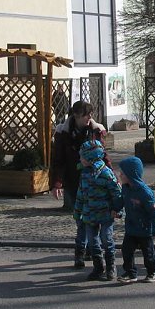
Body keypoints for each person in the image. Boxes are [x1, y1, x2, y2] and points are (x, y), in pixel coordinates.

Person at [51, 101, 107, 267]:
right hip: (73, 180)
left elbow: (103, 156)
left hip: (93, 180)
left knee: (92, 218)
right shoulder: (63, 132)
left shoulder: (95, 130)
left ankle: (90, 249)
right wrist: (57, 183)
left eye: (91, 114)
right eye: (86, 114)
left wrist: (111, 177)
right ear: (76, 115)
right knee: (80, 219)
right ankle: (80, 253)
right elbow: (58, 160)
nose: (90, 117)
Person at [74, 140, 123, 281]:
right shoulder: (84, 174)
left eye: (82, 157)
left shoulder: (106, 173)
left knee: (106, 239)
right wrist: (77, 212)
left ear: (90, 158)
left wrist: (117, 210)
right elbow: (80, 194)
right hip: (89, 214)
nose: (80, 159)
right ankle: (98, 267)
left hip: (105, 213)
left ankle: (111, 266)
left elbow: (117, 193)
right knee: (92, 241)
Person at [117, 157, 155, 283]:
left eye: (122, 173)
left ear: (131, 174)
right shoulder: (126, 188)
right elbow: (121, 201)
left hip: (144, 229)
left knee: (148, 253)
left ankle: (152, 272)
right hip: (131, 227)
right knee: (126, 251)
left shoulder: (144, 192)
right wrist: (116, 209)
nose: (120, 175)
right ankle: (130, 273)